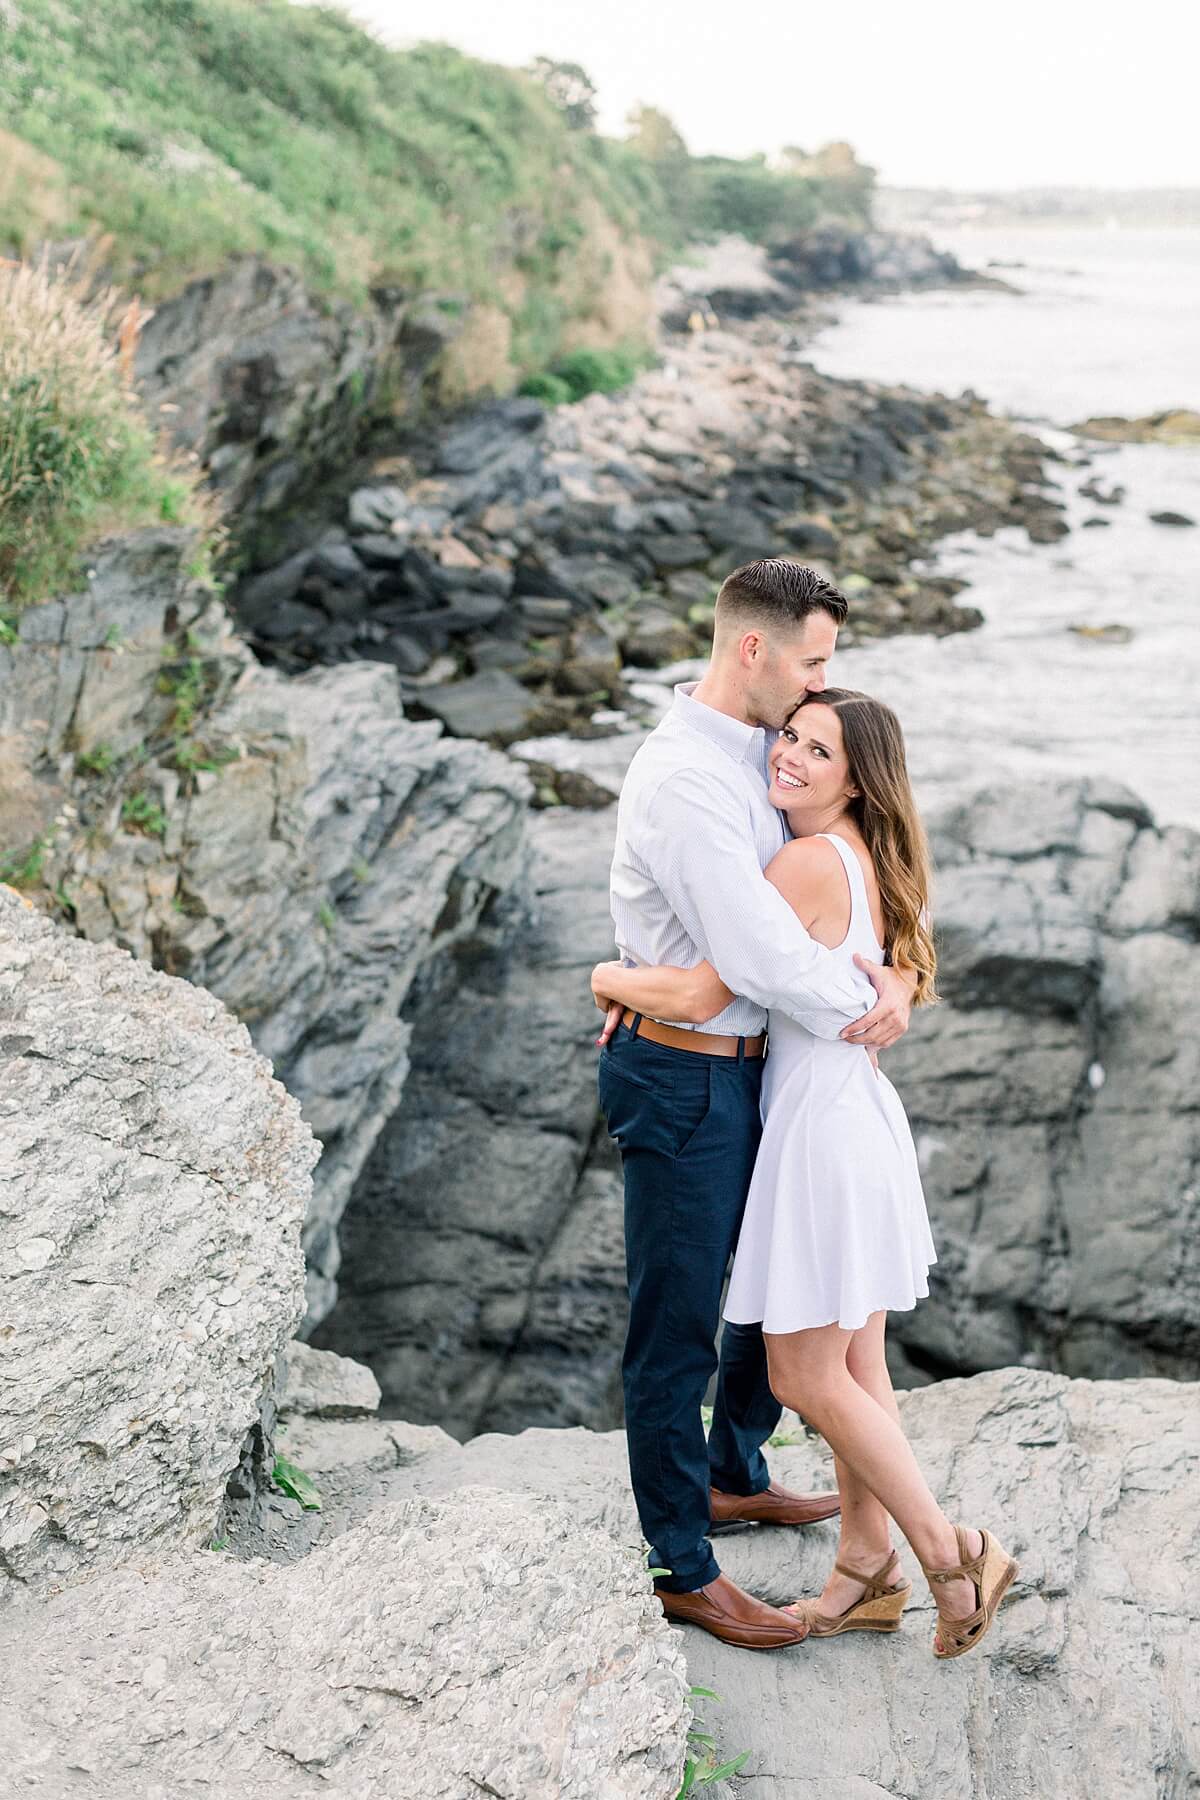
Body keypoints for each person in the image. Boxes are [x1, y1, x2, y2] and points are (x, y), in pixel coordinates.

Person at [594, 684, 1019, 1660]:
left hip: (822, 1133)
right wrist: (903, 981)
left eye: (818, 751)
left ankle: (954, 1554)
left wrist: (606, 977)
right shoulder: (858, 857)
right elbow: (878, 956)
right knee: (859, 1366)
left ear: (857, 781)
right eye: (789, 736)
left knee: (802, 1371)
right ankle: (865, 1569)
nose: (788, 756)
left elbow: (704, 989)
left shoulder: (799, 863)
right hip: (851, 1118)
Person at [593, 559, 916, 1653]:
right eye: (814, 661)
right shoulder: (685, 779)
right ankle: (681, 1561)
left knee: (762, 1297)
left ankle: (732, 1472)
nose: (822, 684)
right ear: (753, 651)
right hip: (683, 1069)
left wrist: (898, 976)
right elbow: (760, 954)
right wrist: (865, 1006)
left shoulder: (760, 758)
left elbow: (847, 883)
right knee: (677, 1325)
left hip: (746, 1068)